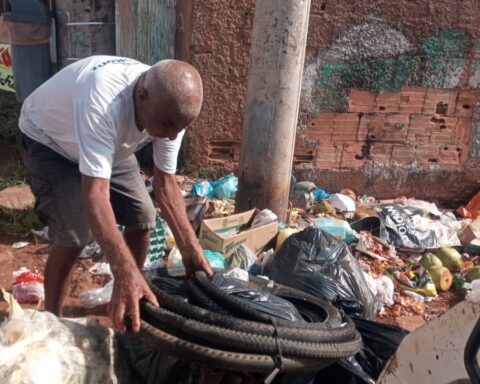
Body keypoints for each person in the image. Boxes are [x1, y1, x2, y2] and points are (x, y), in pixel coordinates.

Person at [17, 55, 213, 332]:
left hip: (109, 146)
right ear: (141, 96)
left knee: (143, 216)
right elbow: (95, 194)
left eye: (179, 129)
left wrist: (191, 247)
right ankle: (54, 323)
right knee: (74, 233)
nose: (171, 137)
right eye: (168, 127)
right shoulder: (102, 100)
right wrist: (124, 269)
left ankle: (122, 299)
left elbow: (165, 183)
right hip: (51, 143)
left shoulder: (171, 109)